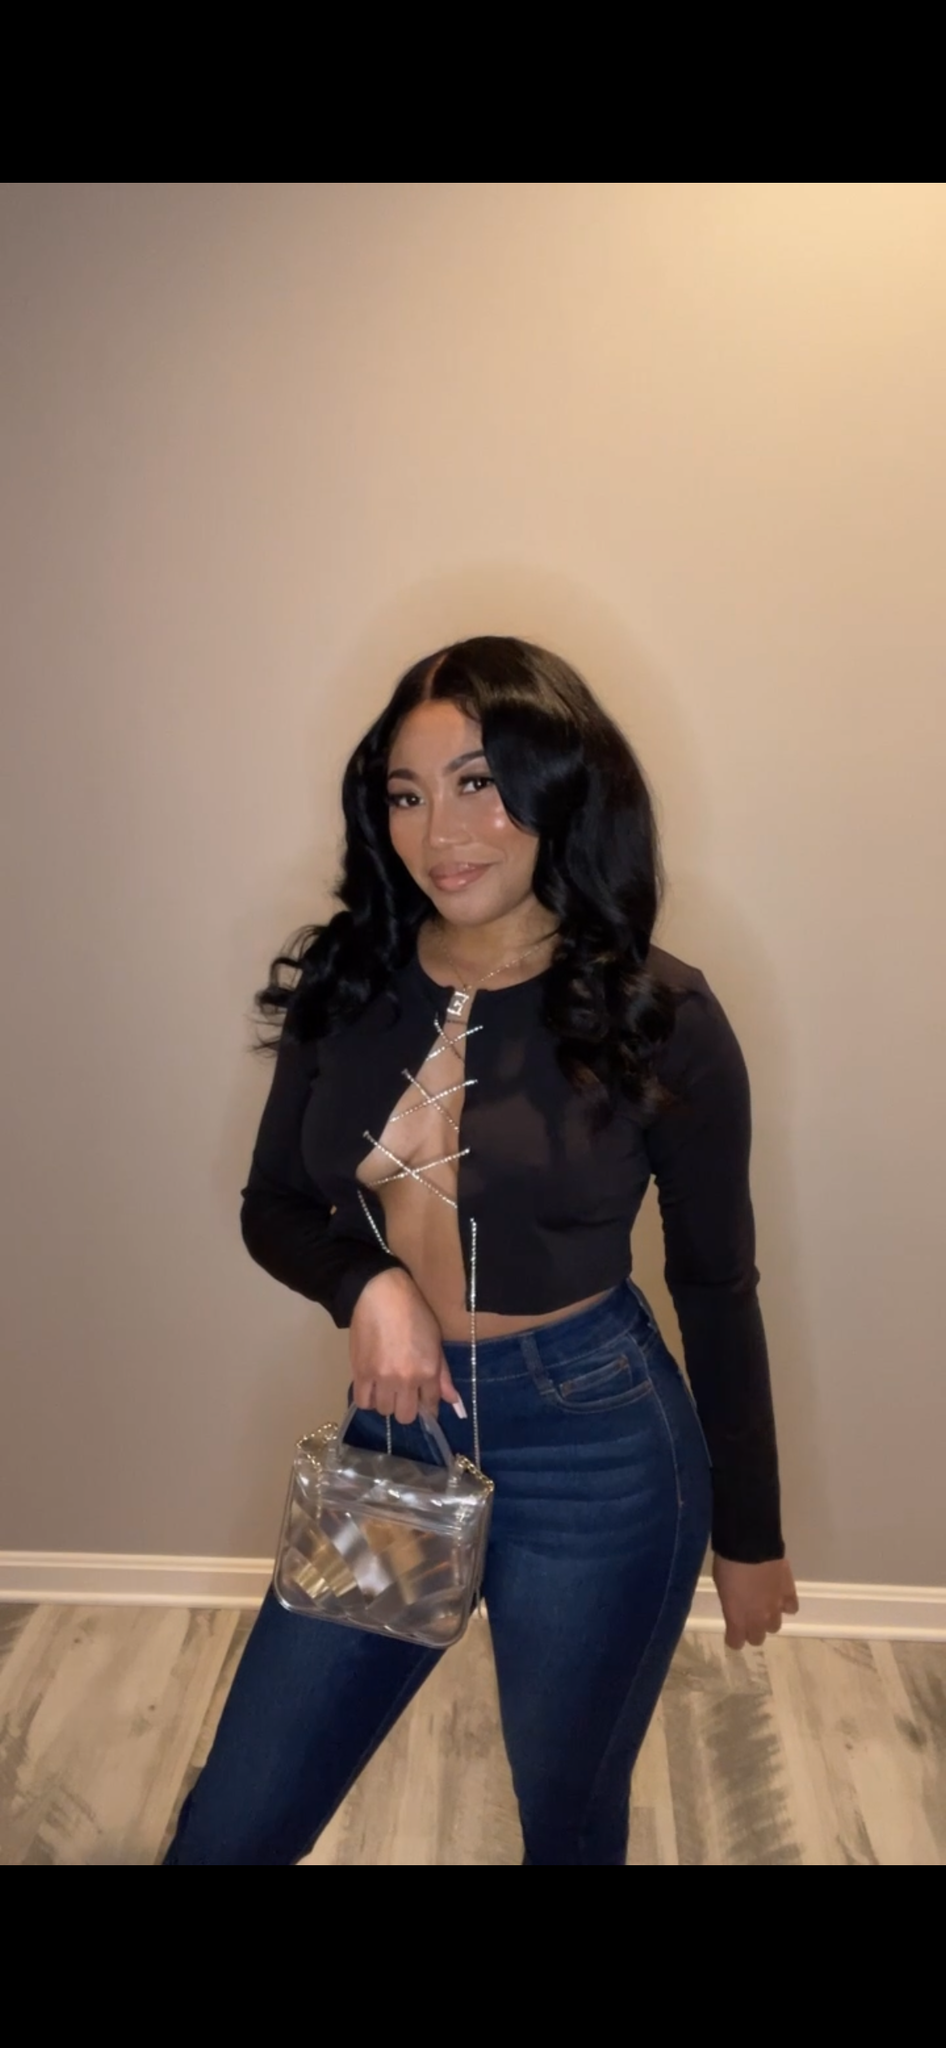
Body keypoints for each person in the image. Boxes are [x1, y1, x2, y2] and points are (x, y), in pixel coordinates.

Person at [165, 635, 796, 1867]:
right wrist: (368, 1283)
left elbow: (717, 1285)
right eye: (406, 793)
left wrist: (751, 1530)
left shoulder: (657, 1011)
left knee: (567, 1818)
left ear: (561, 785)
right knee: (233, 1825)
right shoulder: (350, 980)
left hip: (599, 1449)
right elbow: (273, 1203)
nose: (440, 831)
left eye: (479, 782)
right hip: (397, 1437)